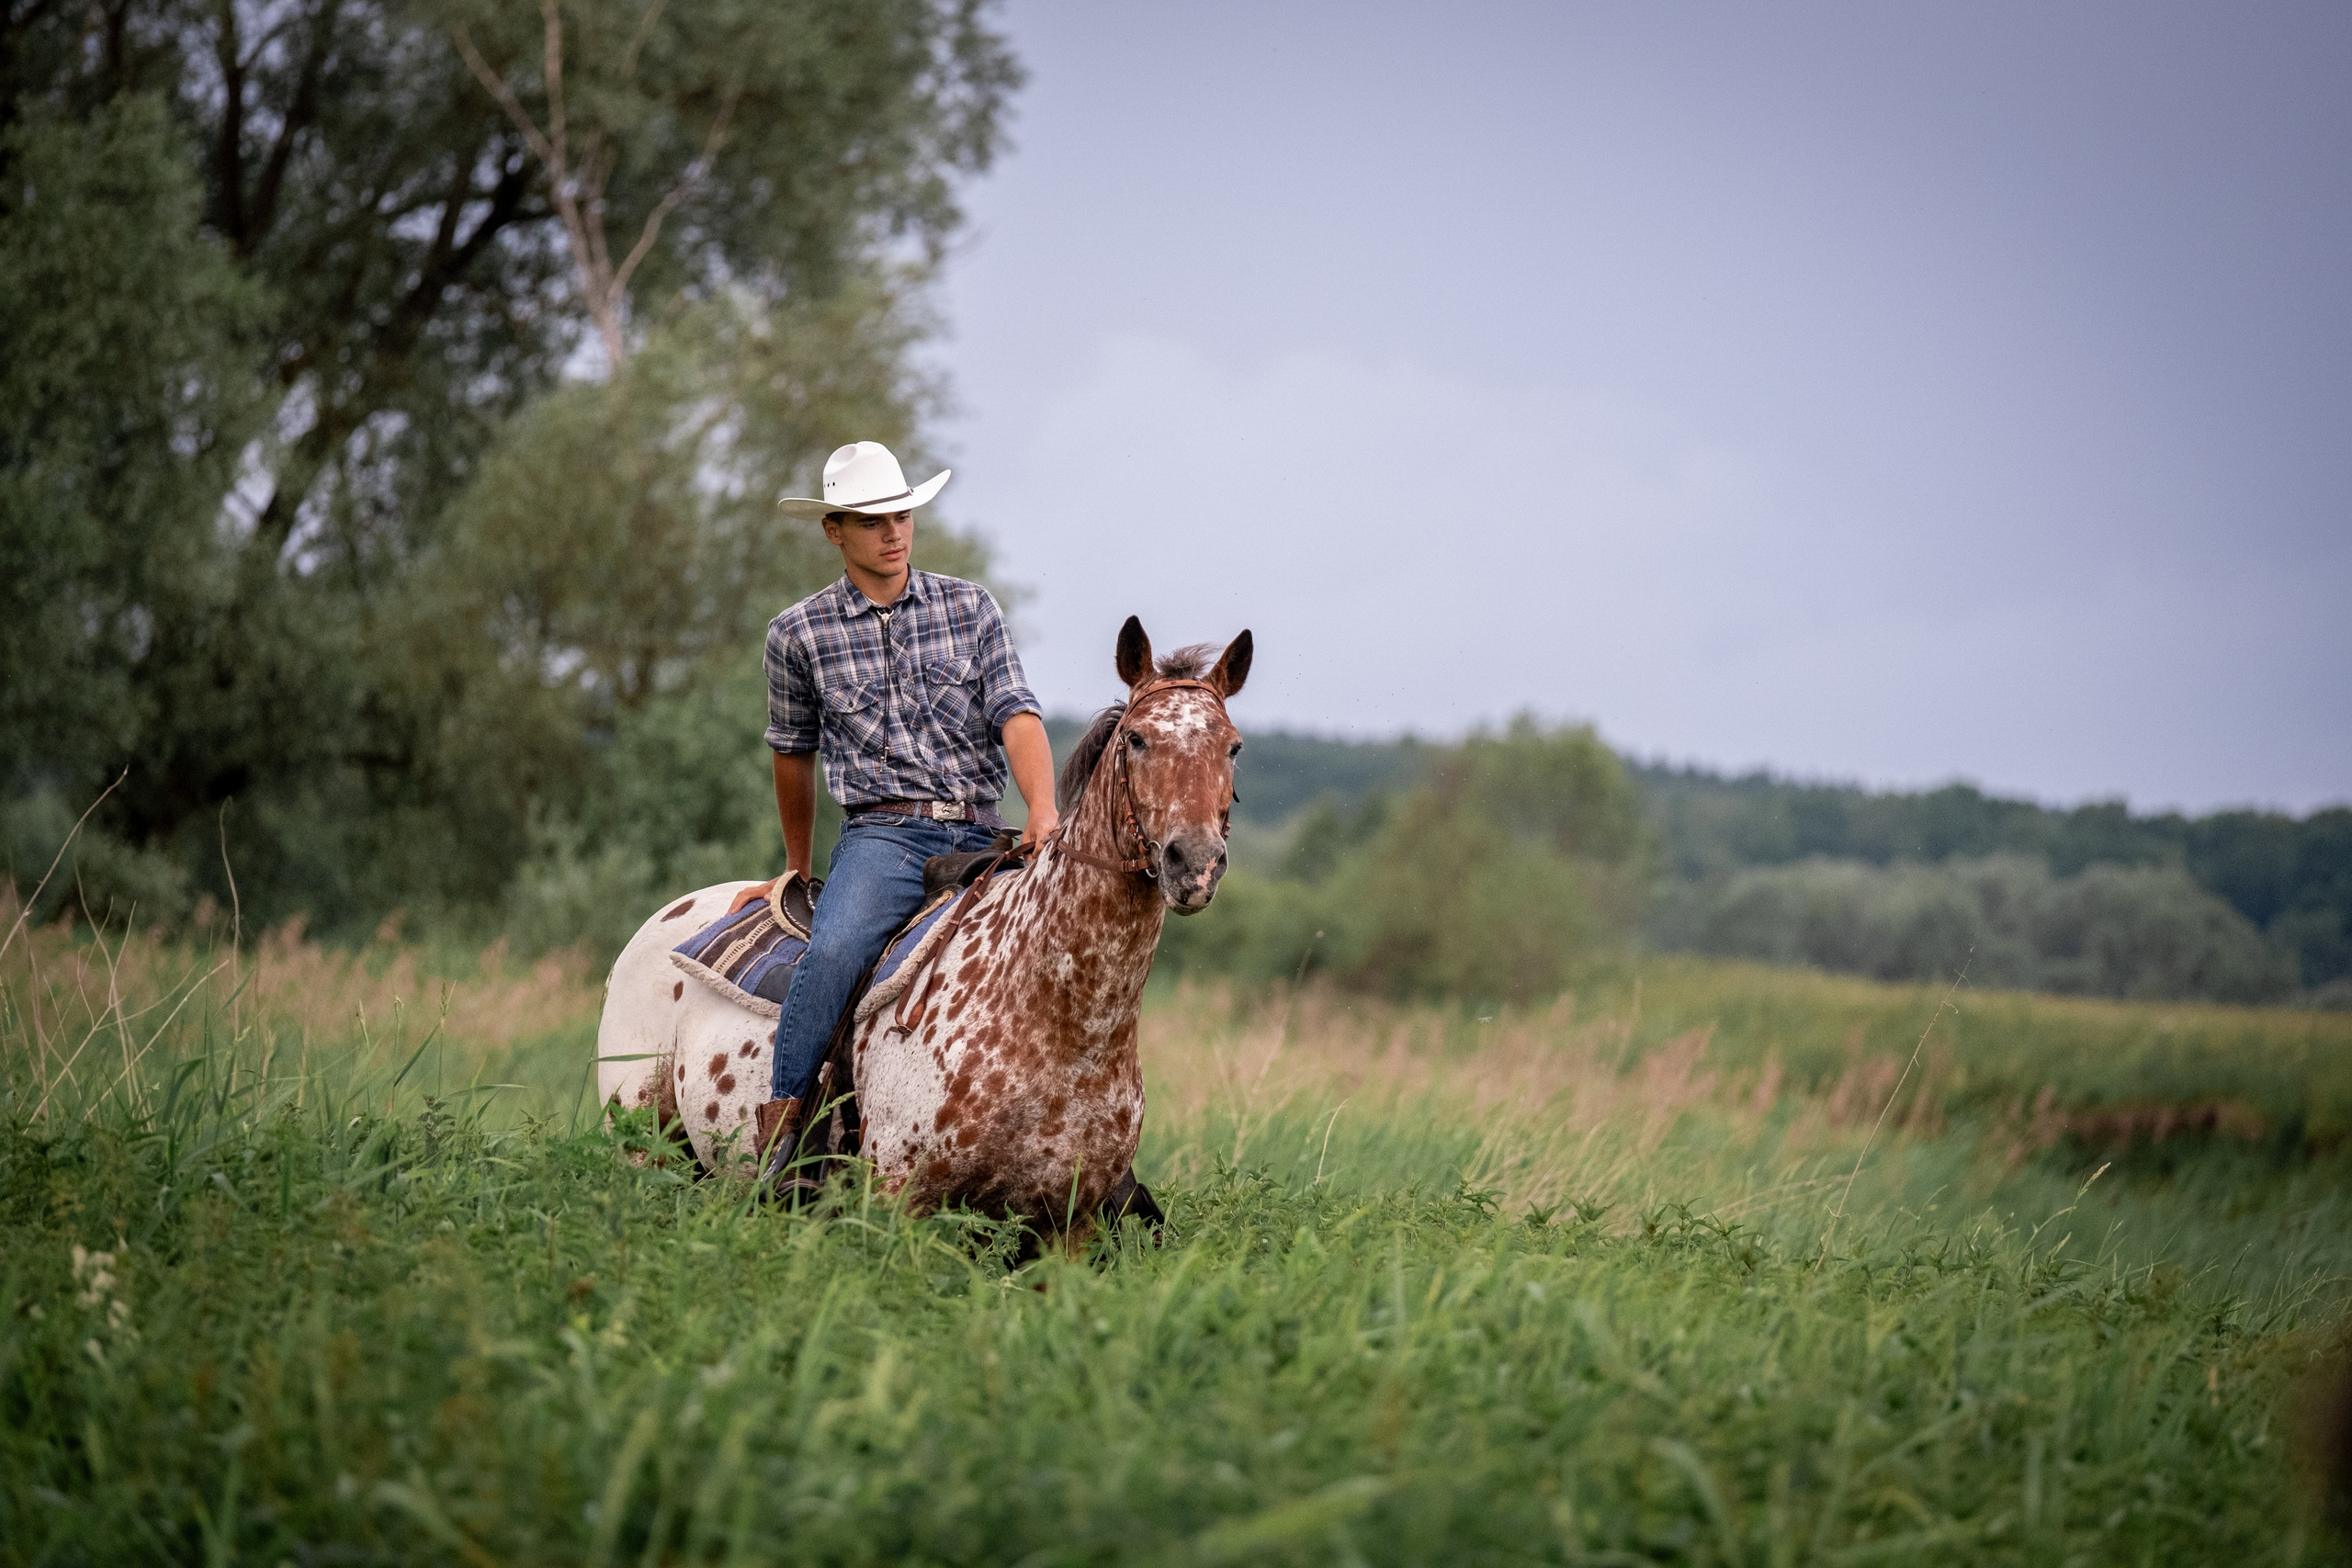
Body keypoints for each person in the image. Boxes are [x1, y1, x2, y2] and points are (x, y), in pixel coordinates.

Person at [733, 440, 1058, 1184]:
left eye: (903, 514)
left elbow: (1016, 712)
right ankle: (785, 1135)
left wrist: (1042, 806)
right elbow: (793, 753)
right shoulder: (799, 633)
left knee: (1067, 944)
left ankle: (1082, 1142)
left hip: (982, 829)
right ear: (834, 529)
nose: (894, 531)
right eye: (874, 518)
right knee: (836, 950)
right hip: (884, 836)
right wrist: (797, 865)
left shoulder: (968, 606)